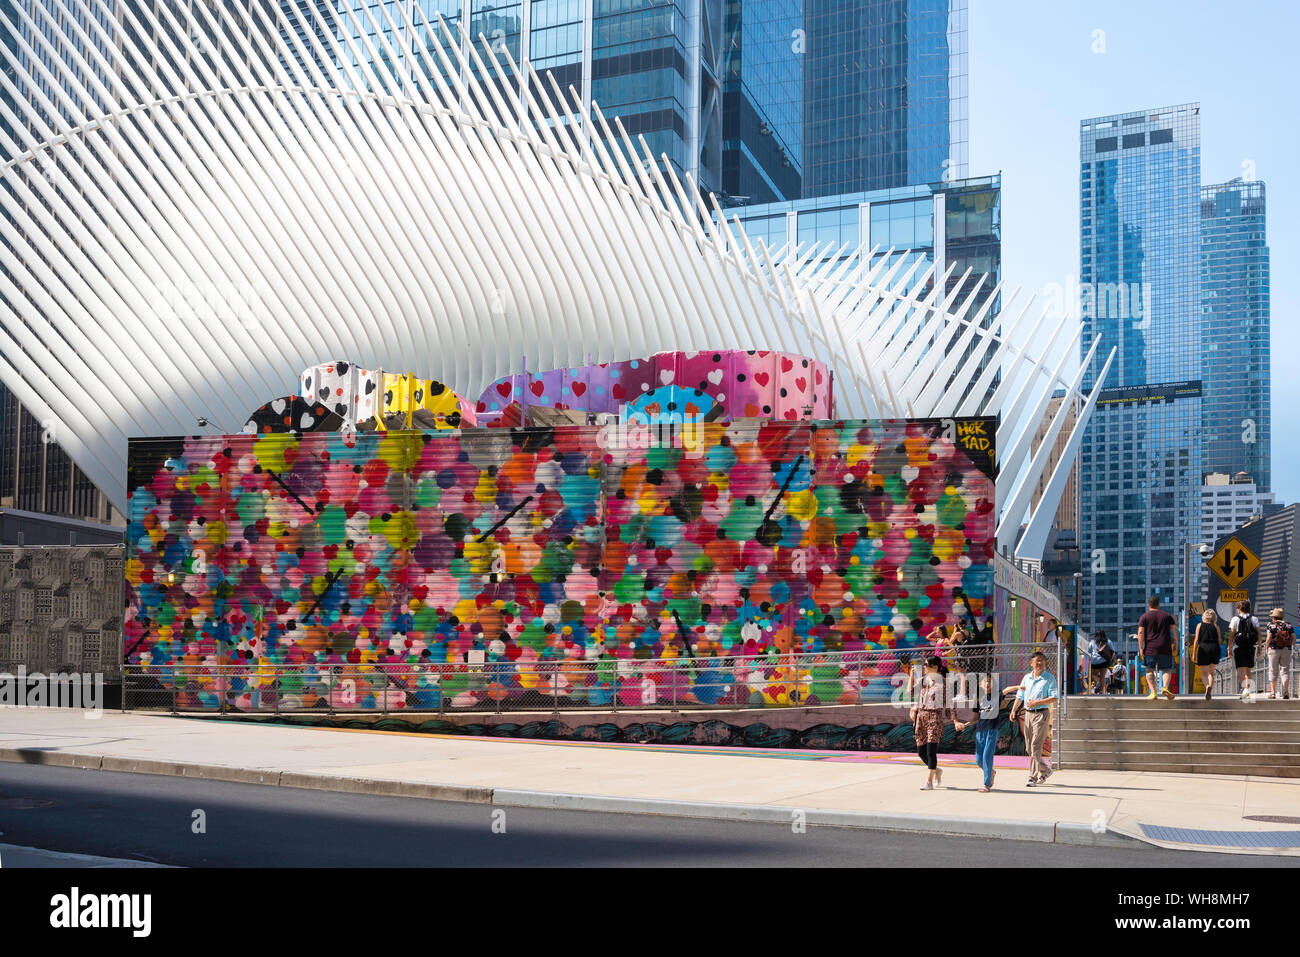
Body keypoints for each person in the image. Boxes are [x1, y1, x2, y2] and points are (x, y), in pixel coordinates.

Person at [1008, 651, 1057, 786]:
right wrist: (1013, 710)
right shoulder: (1026, 678)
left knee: (1035, 746)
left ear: (1045, 662)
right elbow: (1020, 695)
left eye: (1042, 660)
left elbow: (1054, 697)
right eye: (1037, 661)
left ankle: (1032, 777)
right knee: (1029, 749)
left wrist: (1037, 702)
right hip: (1028, 714)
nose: (1039, 663)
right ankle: (1046, 770)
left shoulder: (1049, 678)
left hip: (1041, 714)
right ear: (1031, 663)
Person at [910, 655, 954, 790]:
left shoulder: (944, 684)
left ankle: (929, 782)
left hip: (935, 718)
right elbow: (911, 692)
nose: (924, 667)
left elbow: (951, 704)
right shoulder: (923, 680)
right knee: (921, 752)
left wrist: (955, 720)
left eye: (926, 665)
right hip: (921, 717)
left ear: (935, 667)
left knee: (930, 751)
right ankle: (936, 769)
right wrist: (914, 707)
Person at [954, 672, 1003, 792]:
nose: (987, 683)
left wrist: (1018, 687)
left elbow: (1006, 690)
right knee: (978, 759)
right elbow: (975, 718)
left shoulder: (997, 695)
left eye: (989, 681)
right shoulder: (978, 698)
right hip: (980, 730)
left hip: (992, 730)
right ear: (980, 684)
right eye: (984, 681)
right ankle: (991, 772)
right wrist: (965, 725)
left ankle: (987, 784)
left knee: (987, 756)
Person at [1136, 596, 1178, 701]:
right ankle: (1164, 688)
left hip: (1150, 648)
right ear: (1158, 605)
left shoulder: (1144, 617)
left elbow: (1140, 632)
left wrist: (1141, 647)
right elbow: (1175, 631)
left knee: (1149, 670)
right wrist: (1176, 644)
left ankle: (1153, 692)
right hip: (1166, 647)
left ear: (1148, 605)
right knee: (1167, 670)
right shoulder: (1167, 616)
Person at [1227, 600, 1262, 700]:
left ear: (1239, 609)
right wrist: (1259, 647)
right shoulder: (1254, 619)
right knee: (1248, 670)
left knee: (1240, 670)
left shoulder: (1235, 619)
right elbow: (1259, 634)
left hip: (1238, 647)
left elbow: (1232, 635)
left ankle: (1245, 690)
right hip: (1250, 647)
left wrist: (1229, 647)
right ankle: (1247, 690)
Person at [1190, 609, 1222, 701]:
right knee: (1211, 673)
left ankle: (1207, 686)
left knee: (1204, 672)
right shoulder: (1216, 626)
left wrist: (1194, 654)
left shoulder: (1199, 625)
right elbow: (1219, 640)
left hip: (1203, 648)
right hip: (1214, 648)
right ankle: (1210, 691)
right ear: (1213, 618)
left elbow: (1196, 640)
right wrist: (1218, 652)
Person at [1263, 608, 1295, 700]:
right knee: (1285, 670)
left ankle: (1273, 693)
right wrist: (1289, 645)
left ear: (1274, 617)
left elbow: (1268, 638)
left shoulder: (1271, 625)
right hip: (1286, 650)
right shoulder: (1288, 625)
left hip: (1273, 650)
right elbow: (1294, 638)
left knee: (1273, 670)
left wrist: (1266, 647)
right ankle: (1286, 692)